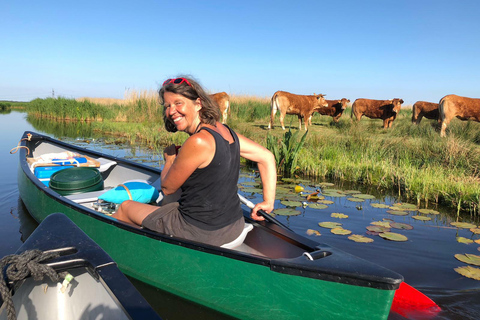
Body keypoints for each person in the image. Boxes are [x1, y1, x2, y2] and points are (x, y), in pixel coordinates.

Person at [112, 76, 276, 246]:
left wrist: (169, 160)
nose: (171, 111)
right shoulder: (224, 130)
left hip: (202, 231)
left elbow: (167, 187)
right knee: (172, 202)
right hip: (234, 225)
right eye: (168, 106)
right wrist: (268, 202)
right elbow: (266, 157)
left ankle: (126, 252)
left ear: (198, 104)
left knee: (125, 208)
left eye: (178, 103)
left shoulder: (198, 141)